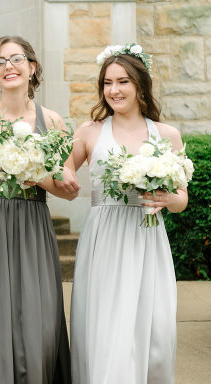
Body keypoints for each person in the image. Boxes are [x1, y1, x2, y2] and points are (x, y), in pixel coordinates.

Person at [0, 35, 77, 384]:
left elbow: (66, 190)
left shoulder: (53, 123)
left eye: (17, 59)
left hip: (33, 224)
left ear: (32, 67)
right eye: (0, 62)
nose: (9, 67)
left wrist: (39, 177)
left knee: (39, 321)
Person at [67, 45, 187, 384]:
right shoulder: (89, 131)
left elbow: (182, 200)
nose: (114, 90)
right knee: (108, 323)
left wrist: (165, 198)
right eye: (107, 83)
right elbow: (62, 175)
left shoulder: (166, 135)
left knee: (154, 325)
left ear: (140, 86)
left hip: (147, 235)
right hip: (104, 237)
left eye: (122, 82)